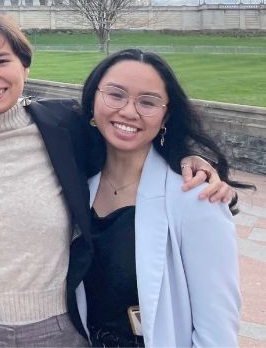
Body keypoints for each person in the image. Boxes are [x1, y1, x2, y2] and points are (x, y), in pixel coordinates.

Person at [0, 14, 231, 346]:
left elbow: (130, 136)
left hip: (58, 331)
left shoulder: (64, 125)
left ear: (25, 66)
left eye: (1, 60)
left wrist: (190, 161)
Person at [79, 49, 245, 346]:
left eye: (147, 102)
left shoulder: (196, 197)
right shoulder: (78, 182)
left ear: (166, 114)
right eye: (115, 95)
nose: (129, 111)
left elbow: (217, 331)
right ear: (93, 99)